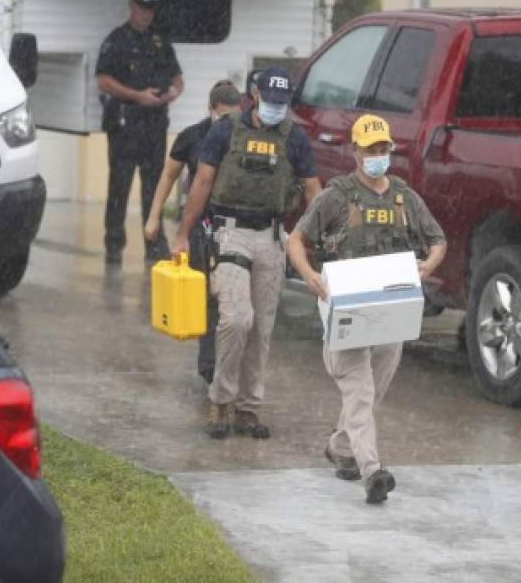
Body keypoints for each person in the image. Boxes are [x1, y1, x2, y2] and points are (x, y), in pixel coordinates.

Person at [285, 114, 447, 504]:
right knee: (360, 391)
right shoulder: (337, 196)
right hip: (346, 312)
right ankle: (372, 471)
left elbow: (437, 239)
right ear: (355, 151)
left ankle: (341, 447)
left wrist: (429, 264)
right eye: (370, 149)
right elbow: (296, 240)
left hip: (391, 312)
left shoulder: (404, 197)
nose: (377, 155)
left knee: (371, 395)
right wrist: (309, 275)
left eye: (383, 149)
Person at [173, 67, 321, 440]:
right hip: (230, 233)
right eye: (270, 101)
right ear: (254, 96)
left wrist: (309, 238)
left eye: (282, 104)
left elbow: (313, 191)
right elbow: (202, 182)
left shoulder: (295, 138)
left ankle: (248, 408)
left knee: (262, 328)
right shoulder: (225, 130)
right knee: (236, 318)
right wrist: (183, 234)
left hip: (271, 236)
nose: (275, 109)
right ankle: (221, 400)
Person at [145, 79, 243, 384]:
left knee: (235, 303)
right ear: (211, 109)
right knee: (209, 299)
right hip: (201, 227)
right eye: (222, 115)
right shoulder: (192, 137)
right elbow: (168, 176)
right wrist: (154, 217)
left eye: (233, 115)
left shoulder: (245, 136)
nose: (227, 122)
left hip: (236, 227)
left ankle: (229, 367)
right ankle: (209, 367)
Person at [95, 0, 185, 264]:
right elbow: (103, 80)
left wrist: (172, 92)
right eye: (142, 8)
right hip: (125, 123)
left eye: (150, 10)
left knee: (154, 187)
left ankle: (154, 245)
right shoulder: (117, 40)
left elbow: (177, 78)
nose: (146, 14)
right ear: (132, 6)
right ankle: (113, 244)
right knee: (119, 187)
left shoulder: (160, 41)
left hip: (154, 124)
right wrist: (137, 96)